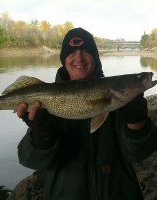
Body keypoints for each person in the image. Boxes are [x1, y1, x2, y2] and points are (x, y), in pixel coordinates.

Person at [15, 28, 157, 200]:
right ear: (64, 60)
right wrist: (42, 136)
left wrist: (137, 124)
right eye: (72, 52)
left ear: (96, 59)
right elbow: (29, 160)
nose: (79, 58)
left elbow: (139, 154)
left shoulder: (123, 103)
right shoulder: (46, 102)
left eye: (86, 51)